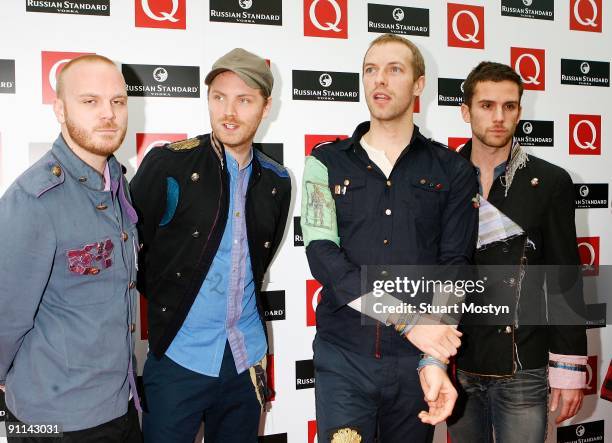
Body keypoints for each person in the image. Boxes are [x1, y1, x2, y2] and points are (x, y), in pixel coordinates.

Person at [300, 33, 478, 442]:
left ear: (418, 85)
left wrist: (434, 359)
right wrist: (407, 320)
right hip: (343, 356)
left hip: (413, 363)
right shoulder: (324, 162)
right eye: (371, 70)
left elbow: (455, 267)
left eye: (394, 69)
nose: (379, 80)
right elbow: (323, 257)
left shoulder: (453, 170)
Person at [130, 48, 291, 443]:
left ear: (266, 106)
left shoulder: (276, 181)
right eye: (219, 97)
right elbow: (133, 247)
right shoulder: (169, 164)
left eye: (244, 99)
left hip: (245, 357)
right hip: (178, 358)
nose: (229, 111)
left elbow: (260, 260)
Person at [0, 55, 141, 442]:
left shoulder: (115, 181)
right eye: (90, 101)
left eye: (117, 101)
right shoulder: (33, 199)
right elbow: (5, 317)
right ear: (60, 109)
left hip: (120, 406)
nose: (108, 114)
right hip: (54, 423)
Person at [448, 61, 587, 442]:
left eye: (509, 107)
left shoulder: (551, 182)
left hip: (524, 366)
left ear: (520, 112)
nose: (498, 117)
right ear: (466, 111)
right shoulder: (443, 178)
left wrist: (570, 369)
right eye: (487, 105)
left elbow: (564, 277)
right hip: (456, 364)